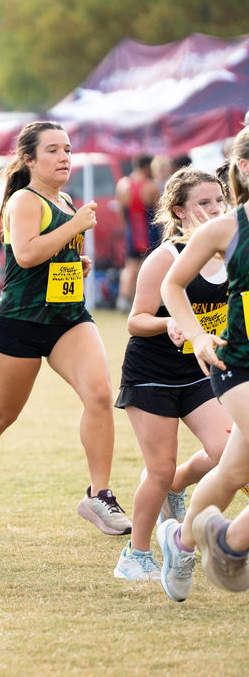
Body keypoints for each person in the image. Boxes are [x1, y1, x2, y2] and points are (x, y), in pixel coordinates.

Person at [0, 121, 132, 536]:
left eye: (67, 149)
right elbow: (26, 255)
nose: (64, 157)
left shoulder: (65, 199)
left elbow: (46, 255)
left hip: (68, 319)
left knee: (99, 395)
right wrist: (74, 227)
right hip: (20, 324)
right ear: (28, 159)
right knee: (1, 414)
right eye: (53, 150)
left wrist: (74, 264)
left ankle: (99, 494)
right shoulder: (25, 200)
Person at [113, 168, 230, 582]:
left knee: (228, 450)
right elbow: (135, 320)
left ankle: (178, 485)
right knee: (158, 469)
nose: (215, 209)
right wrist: (169, 323)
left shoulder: (230, 251)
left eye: (220, 200)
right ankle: (136, 555)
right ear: (179, 211)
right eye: (204, 203)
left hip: (199, 373)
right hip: (152, 375)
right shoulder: (166, 257)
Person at [157, 126, 249, 602]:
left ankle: (182, 541)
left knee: (232, 473)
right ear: (245, 168)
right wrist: (195, 334)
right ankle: (231, 544)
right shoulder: (225, 229)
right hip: (239, 364)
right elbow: (171, 285)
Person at [116, 154, 162, 311]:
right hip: (149, 232)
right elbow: (160, 212)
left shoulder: (123, 184)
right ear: (148, 167)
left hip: (132, 232)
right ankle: (147, 300)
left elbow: (120, 212)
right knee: (150, 266)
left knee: (130, 266)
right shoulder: (151, 186)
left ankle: (123, 299)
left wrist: (127, 229)